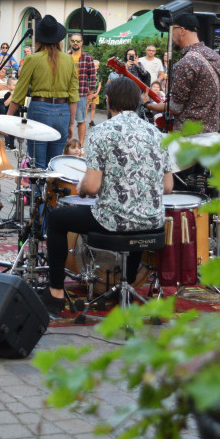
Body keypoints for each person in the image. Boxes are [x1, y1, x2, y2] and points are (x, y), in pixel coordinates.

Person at [39, 77, 176, 315]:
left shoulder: (102, 132)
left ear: (109, 102)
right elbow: (167, 186)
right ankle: (128, 281)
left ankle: (56, 293)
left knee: (58, 219)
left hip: (115, 222)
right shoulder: (157, 134)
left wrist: (81, 188)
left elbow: (91, 187)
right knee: (135, 217)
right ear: (137, 103)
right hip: (152, 223)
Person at [7, 15, 77, 168]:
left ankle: (37, 192)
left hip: (39, 109)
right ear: (58, 39)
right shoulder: (69, 60)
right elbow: (73, 96)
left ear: (39, 38)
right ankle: (50, 192)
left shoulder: (32, 59)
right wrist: (71, 123)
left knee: (37, 165)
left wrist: (7, 119)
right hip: (63, 112)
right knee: (55, 165)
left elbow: (19, 93)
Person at [145, 13, 220, 133]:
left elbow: (175, 108)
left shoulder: (185, 63)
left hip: (188, 137)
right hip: (213, 134)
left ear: (182, 30)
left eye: (172, 30)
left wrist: (149, 104)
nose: (171, 36)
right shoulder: (216, 57)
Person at [69, 34, 96, 147]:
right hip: (67, 93)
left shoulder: (88, 57)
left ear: (81, 43)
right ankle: (67, 145)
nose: (75, 43)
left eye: (78, 41)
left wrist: (91, 94)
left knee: (81, 120)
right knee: (67, 121)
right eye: (73, 40)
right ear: (70, 42)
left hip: (81, 93)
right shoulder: (66, 57)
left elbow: (92, 76)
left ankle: (80, 146)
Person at [86, 60, 102, 126]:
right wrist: (89, 93)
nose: (94, 67)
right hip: (89, 93)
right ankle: (82, 120)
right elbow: (86, 84)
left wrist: (96, 93)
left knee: (93, 107)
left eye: (96, 66)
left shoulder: (99, 75)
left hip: (95, 94)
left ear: (98, 67)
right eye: (93, 66)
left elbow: (99, 85)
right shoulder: (88, 74)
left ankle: (91, 121)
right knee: (87, 107)